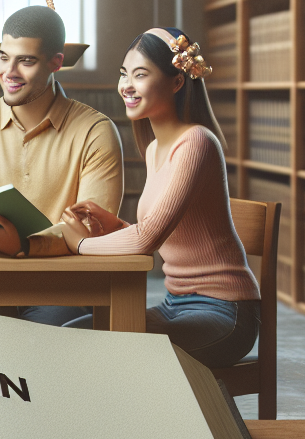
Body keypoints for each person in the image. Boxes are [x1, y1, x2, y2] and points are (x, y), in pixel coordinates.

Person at [59, 27, 260, 368]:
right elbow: (163, 232)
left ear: (177, 81)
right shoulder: (154, 149)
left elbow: (148, 238)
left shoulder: (197, 142)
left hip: (225, 311)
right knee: (69, 339)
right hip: (174, 304)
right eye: (124, 75)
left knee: (112, 358)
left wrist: (79, 244)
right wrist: (117, 226)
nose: (127, 86)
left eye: (140, 75)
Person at [0, 6, 124, 287]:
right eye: (4, 58)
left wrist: (23, 245)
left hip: (62, 285)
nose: (9, 72)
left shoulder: (95, 131)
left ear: (56, 62)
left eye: (25, 61)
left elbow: (94, 229)